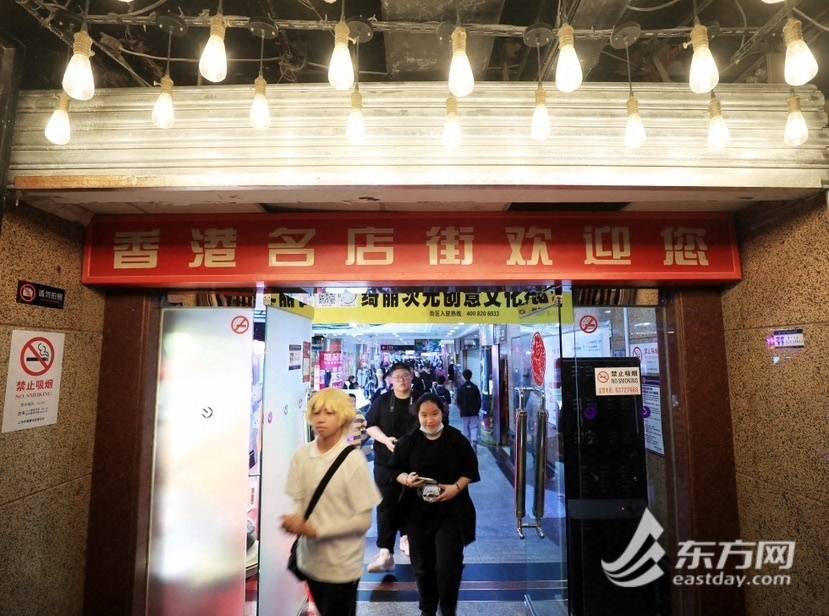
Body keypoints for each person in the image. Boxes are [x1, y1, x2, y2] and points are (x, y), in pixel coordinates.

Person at [282, 388, 381, 616]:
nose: (321, 419)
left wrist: (316, 530)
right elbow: (299, 502)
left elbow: (363, 521)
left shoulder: (353, 461)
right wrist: (295, 522)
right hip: (309, 560)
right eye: (316, 412)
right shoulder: (301, 456)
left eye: (329, 413)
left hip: (341, 564)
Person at [389, 393, 479, 616]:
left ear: (442, 413)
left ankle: (448, 609)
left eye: (434, 414)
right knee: (422, 566)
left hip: (452, 513)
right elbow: (393, 469)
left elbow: (470, 470)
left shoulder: (456, 439)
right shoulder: (409, 441)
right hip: (417, 514)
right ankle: (427, 609)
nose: (429, 420)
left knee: (449, 565)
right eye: (424, 415)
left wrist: (455, 488)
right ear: (417, 416)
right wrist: (406, 479)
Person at [365, 362, 420, 571]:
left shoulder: (421, 400)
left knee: (412, 503)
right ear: (390, 380)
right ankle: (385, 552)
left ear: (412, 377)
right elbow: (370, 425)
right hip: (385, 463)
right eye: (397, 377)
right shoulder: (382, 401)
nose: (402, 380)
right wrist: (386, 440)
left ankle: (407, 538)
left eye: (405, 376)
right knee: (386, 504)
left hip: (414, 462)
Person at [456, 369, 482, 452]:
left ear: (463, 376)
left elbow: (458, 400)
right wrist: (477, 409)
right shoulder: (475, 387)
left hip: (464, 412)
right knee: (474, 426)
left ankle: (467, 444)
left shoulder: (461, 388)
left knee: (465, 427)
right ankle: (474, 442)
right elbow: (479, 400)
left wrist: (461, 408)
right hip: (474, 412)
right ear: (471, 376)